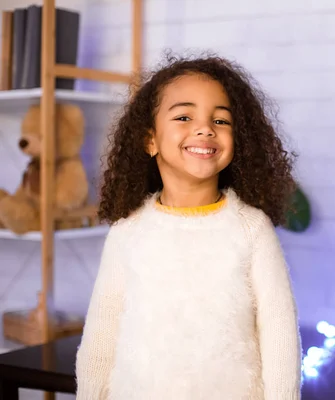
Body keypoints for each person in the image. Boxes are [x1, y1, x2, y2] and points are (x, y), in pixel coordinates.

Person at [75, 54, 302, 400]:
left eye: (221, 121)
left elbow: (279, 335)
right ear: (150, 140)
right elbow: (101, 338)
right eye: (184, 116)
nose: (205, 128)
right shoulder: (128, 232)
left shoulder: (251, 230)